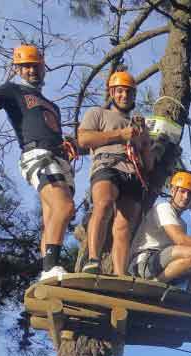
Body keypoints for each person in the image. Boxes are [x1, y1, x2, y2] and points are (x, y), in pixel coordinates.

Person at [0, 44, 76, 281]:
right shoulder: (12, 89)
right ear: (17, 69)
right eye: (26, 66)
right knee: (64, 207)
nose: (32, 70)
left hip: (59, 156)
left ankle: (48, 271)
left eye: (35, 65)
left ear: (43, 67)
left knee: (52, 216)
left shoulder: (52, 105)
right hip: (37, 154)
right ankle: (50, 267)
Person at [77, 70, 151, 275]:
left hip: (132, 172)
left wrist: (144, 143)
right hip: (107, 165)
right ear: (111, 92)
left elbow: (148, 165)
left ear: (134, 95)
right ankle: (93, 259)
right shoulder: (98, 113)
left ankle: (120, 274)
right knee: (103, 205)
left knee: (124, 225)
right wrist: (120, 134)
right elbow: (84, 140)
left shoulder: (138, 126)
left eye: (128, 92)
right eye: (119, 91)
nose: (124, 96)